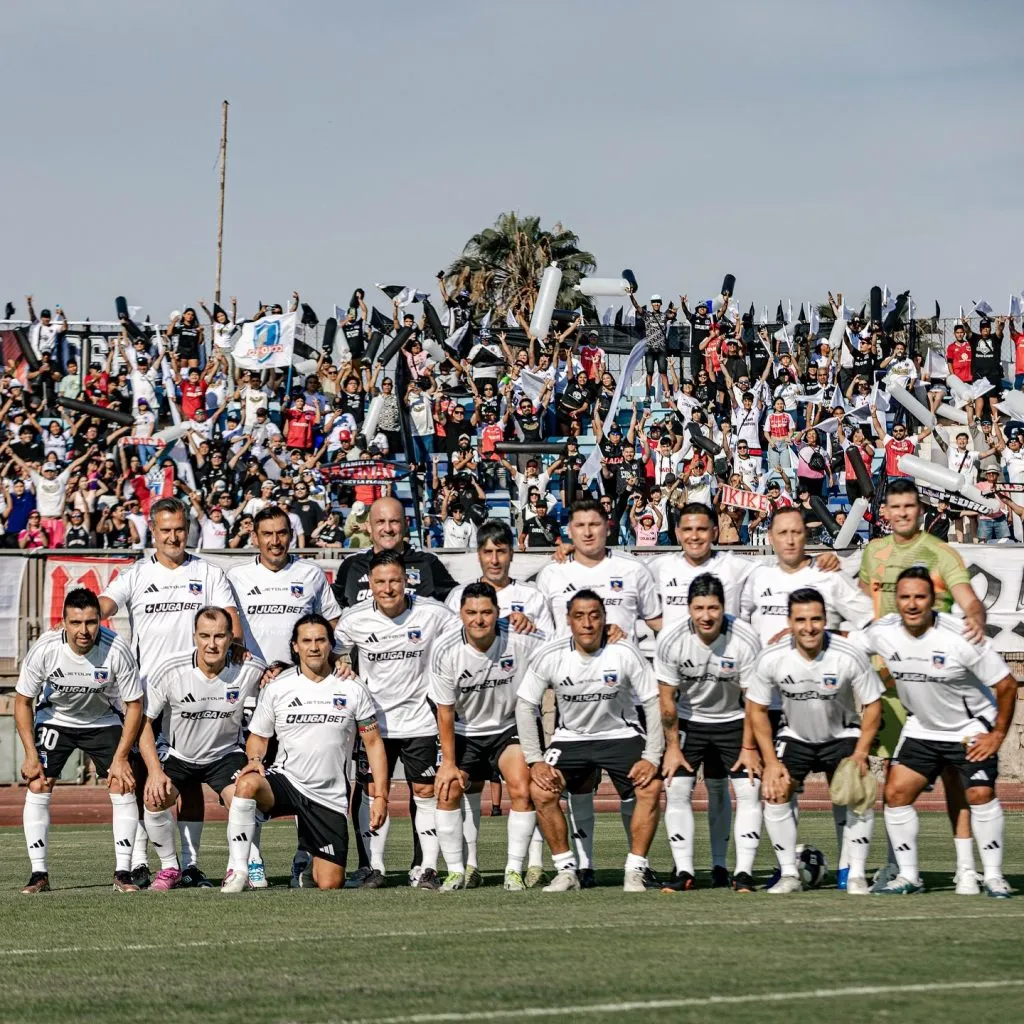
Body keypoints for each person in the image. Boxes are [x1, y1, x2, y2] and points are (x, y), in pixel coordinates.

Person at [99, 496, 240, 889]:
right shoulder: (137, 573)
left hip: (196, 690)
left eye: (180, 529)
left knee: (191, 781)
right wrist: (86, 614)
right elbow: (105, 605)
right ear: (152, 530)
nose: (174, 536)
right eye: (166, 530)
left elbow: (231, 621)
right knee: (148, 779)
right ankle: (145, 861)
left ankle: (192, 864)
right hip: (148, 695)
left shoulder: (209, 573)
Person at [863, 567, 1016, 898]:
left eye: (920, 597)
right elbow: (846, 644)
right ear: (896, 601)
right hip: (923, 727)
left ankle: (992, 876)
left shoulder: (961, 636)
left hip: (970, 727)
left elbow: (1005, 685)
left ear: (933, 601)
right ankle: (908, 876)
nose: (912, 604)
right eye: (905, 597)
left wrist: (997, 735)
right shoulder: (883, 633)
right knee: (895, 794)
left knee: (979, 795)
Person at [536, 498, 661, 884]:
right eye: (580, 525)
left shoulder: (632, 569)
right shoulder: (551, 574)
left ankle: (636, 867)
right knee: (575, 782)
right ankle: (583, 866)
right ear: (569, 532)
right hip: (569, 692)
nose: (588, 531)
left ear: (608, 526)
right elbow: (543, 631)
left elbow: (658, 623)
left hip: (626, 696)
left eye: (595, 524)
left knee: (635, 783)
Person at [224, 614, 389, 891]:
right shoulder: (278, 687)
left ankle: (308, 863)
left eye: (320, 640)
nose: (314, 647)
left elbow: (373, 743)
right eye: (307, 641)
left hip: (329, 797)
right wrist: (254, 760)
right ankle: (239, 870)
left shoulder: (352, 686)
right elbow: (258, 737)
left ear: (330, 645)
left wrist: (382, 796)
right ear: (295, 646)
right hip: (288, 782)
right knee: (247, 783)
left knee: (330, 883)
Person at [515, 590, 664, 892]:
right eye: (579, 616)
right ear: (568, 621)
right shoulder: (551, 654)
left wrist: (652, 756)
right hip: (571, 738)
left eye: (594, 616)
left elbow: (652, 701)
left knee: (651, 785)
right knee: (540, 788)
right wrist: (535, 760)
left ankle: (636, 870)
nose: (587, 623)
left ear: (605, 620)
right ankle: (566, 870)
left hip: (621, 735)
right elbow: (524, 704)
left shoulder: (624, 651)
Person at [227, 504, 343, 885]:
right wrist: (251, 664)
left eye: (281, 533)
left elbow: (332, 623)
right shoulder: (237, 577)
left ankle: (302, 855)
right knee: (252, 775)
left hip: (301, 691)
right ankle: (252, 860)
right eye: (267, 534)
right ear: (255, 538)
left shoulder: (309, 574)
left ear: (290, 535)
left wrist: (336, 661)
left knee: (304, 776)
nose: (275, 541)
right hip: (253, 693)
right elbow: (229, 630)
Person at [746, 588, 883, 895]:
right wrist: (770, 762)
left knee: (858, 792)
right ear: (789, 622)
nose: (809, 627)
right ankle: (790, 874)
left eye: (816, 619)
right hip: (795, 734)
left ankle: (857, 874)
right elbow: (755, 708)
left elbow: (874, 705)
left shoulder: (848, 655)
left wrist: (861, 752)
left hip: (842, 734)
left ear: (826, 620)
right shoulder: (772, 657)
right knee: (775, 790)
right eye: (801, 620)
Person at [333, 550, 458, 889]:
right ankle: (374, 867)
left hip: (421, 719)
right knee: (374, 790)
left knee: (424, 790)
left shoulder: (434, 613)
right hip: (374, 724)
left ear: (407, 581)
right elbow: (334, 652)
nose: (387, 588)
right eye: (380, 582)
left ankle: (427, 867)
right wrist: (341, 664)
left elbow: (462, 638)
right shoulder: (354, 619)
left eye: (394, 581)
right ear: (370, 584)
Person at [14, 588, 143, 894]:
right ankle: (38, 875)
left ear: (101, 620)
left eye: (90, 622)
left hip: (103, 721)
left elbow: (135, 704)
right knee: (38, 783)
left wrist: (121, 757)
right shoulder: (45, 648)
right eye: (76, 623)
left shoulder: (117, 649)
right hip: (56, 719)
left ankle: (123, 873)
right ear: (64, 622)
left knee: (122, 782)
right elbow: (22, 702)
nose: (83, 630)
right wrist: (30, 754)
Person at [137, 607, 267, 891]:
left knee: (244, 797)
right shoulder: (170, 670)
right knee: (154, 798)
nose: (212, 644)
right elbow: (143, 723)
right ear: (194, 636)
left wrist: (275, 673)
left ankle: (240, 867)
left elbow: (278, 690)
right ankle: (171, 867)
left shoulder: (251, 669)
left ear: (232, 637)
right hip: (178, 754)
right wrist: (155, 771)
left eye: (220, 636)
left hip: (225, 754)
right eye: (205, 636)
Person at [429, 582, 546, 891]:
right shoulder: (445, 649)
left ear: (498, 613)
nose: (478, 620)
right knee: (447, 789)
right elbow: (445, 711)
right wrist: (448, 763)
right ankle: (455, 871)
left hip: (510, 727)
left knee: (522, 788)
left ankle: (513, 870)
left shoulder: (523, 637)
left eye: (485, 613)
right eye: (471, 613)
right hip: (465, 729)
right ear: (460, 614)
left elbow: (564, 648)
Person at [656, 575, 763, 893]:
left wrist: (749, 747)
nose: (706, 615)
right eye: (699, 608)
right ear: (689, 608)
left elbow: (753, 700)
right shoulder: (671, 639)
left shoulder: (745, 638)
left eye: (713, 608)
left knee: (749, 792)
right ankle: (685, 871)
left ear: (723, 608)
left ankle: (740, 873)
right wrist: (673, 748)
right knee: (675, 788)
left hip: (735, 719)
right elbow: (666, 700)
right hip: (690, 721)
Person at [332, 496, 457, 607]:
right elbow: (333, 610)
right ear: (369, 526)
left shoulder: (428, 562)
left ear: (405, 525)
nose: (387, 529)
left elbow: (457, 600)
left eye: (394, 521)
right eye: (380, 522)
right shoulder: (352, 564)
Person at [445, 521, 555, 635]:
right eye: (488, 552)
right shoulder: (458, 596)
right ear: (479, 556)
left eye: (501, 552)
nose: (494, 560)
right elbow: (446, 644)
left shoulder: (532, 596)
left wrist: (532, 631)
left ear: (511, 554)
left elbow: (548, 644)